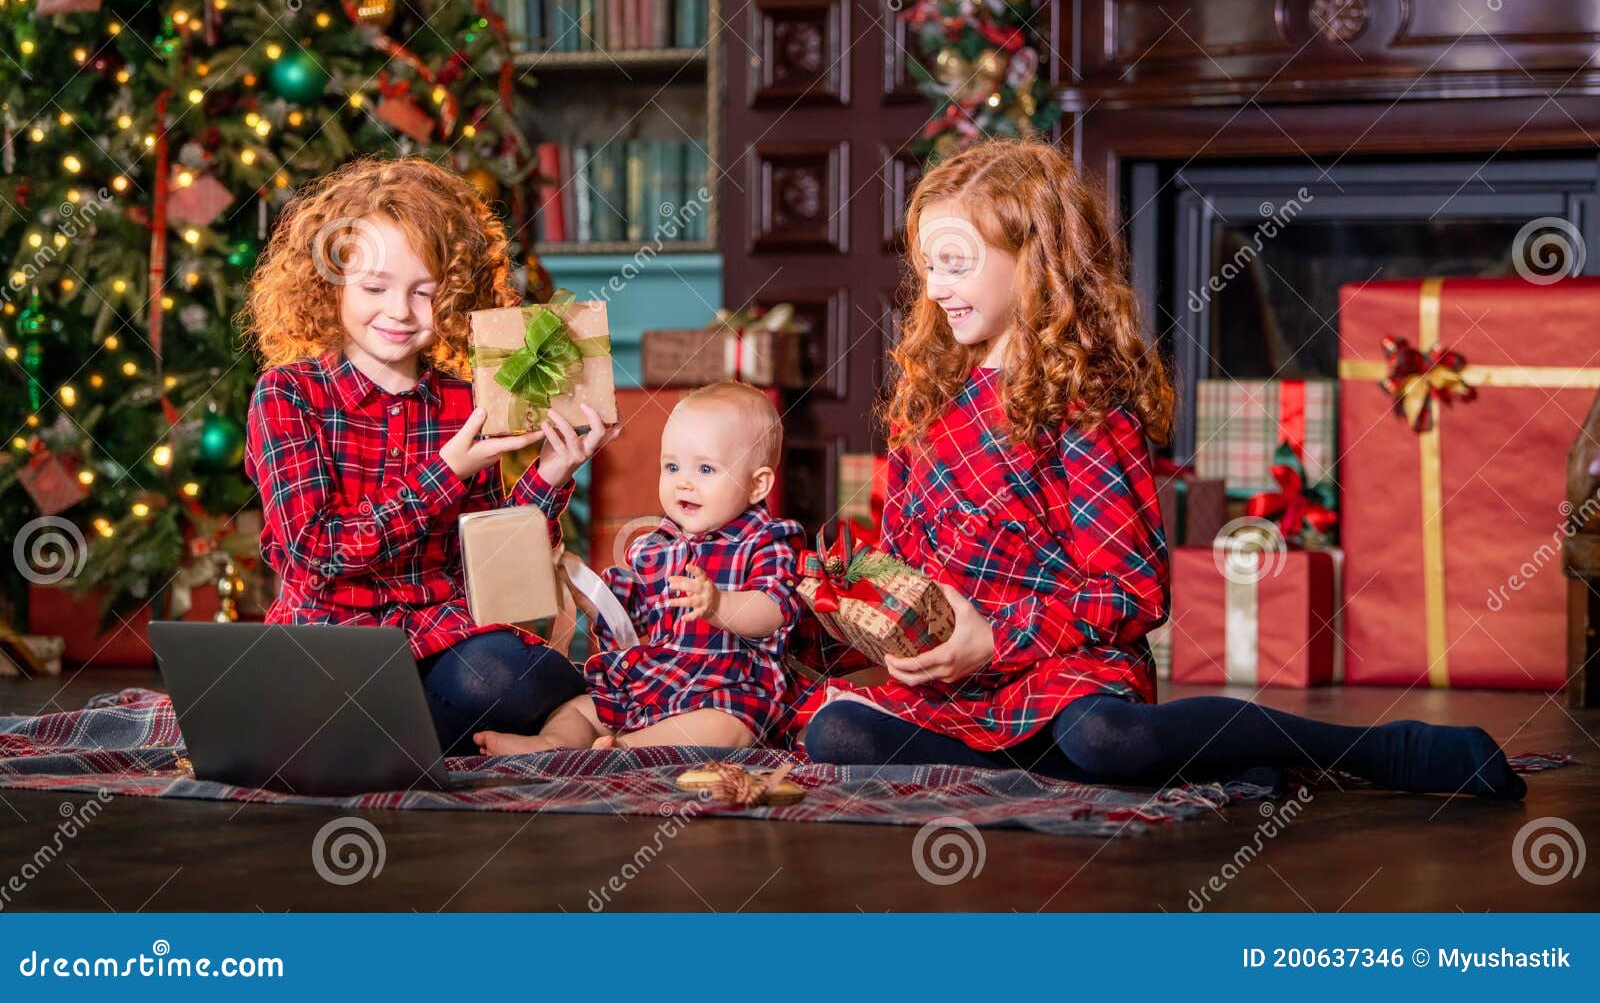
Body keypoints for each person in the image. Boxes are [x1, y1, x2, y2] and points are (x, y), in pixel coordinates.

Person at [803, 138, 1526, 800]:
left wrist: (996, 637)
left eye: (955, 263)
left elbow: (1136, 593)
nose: (933, 288)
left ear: (1037, 260)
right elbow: (902, 564)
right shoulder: (925, 406)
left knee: (1109, 739)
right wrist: (851, 608)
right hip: (959, 688)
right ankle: (1176, 762)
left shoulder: (1082, 405)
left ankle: (1373, 749)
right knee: (832, 733)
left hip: (1064, 673)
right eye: (927, 265)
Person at [241, 156, 616, 754]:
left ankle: (411, 735)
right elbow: (315, 552)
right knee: (335, 705)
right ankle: (425, 735)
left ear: (450, 299)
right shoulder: (287, 394)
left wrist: (551, 472)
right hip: (333, 641)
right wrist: (444, 476)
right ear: (329, 284)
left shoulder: (466, 401)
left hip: (442, 636)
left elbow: (492, 568)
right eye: (374, 288)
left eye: (424, 293)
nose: (398, 311)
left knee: (504, 675)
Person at [475, 381, 806, 753]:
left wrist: (719, 606)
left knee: (729, 728)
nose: (684, 482)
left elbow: (775, 610)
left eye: (706, 469)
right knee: (581, 709)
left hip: (728, 683)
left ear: (757, 484)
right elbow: (630, 622)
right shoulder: (657, 545)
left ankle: (626, 749)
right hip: (660, 676)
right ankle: (553, 743)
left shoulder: (765, 541)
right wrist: (595, 597)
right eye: (673, 466)